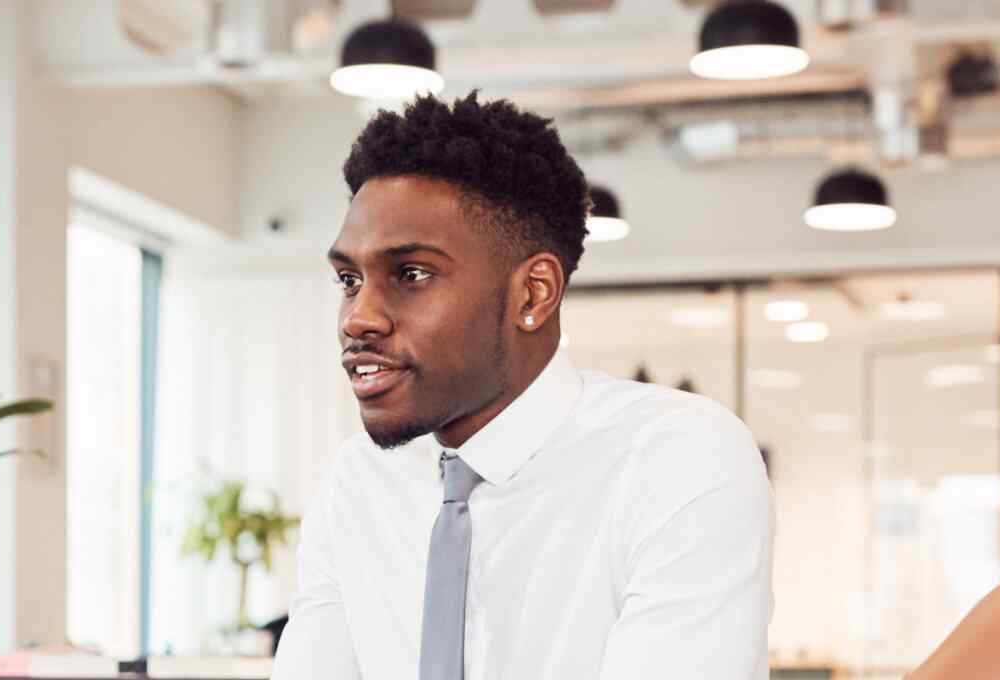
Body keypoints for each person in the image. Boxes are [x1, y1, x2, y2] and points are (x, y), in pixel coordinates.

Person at [276, 92, 772, 679]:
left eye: (411, 274)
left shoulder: (677, 458)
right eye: (349, 279)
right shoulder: (358, 483)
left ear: (533, 294)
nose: (358, 317)